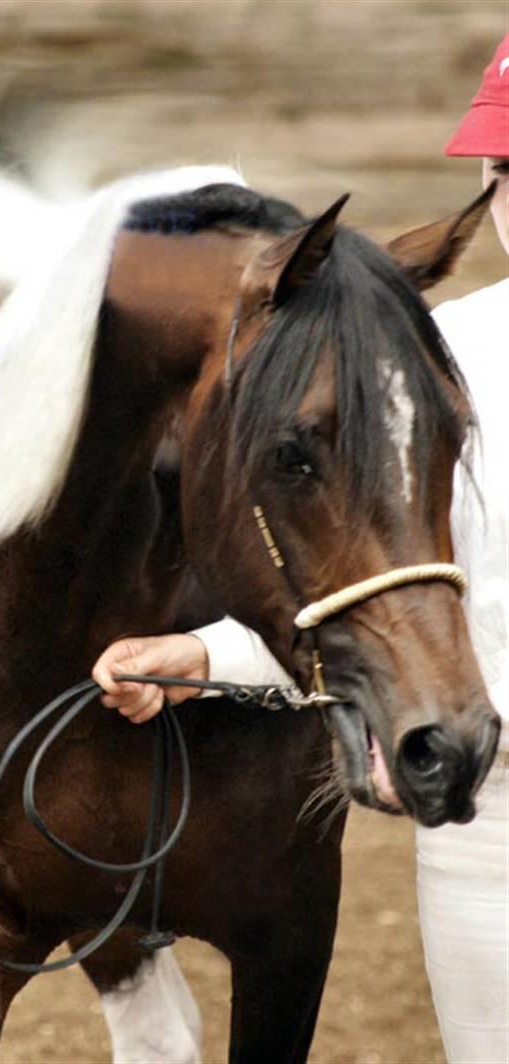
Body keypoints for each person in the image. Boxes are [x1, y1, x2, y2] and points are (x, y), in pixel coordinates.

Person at [93, 35, 508, 1064]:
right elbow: (375, 576)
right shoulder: (436, 361)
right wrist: (204, 657)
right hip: (488, 824)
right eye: (502, 172)